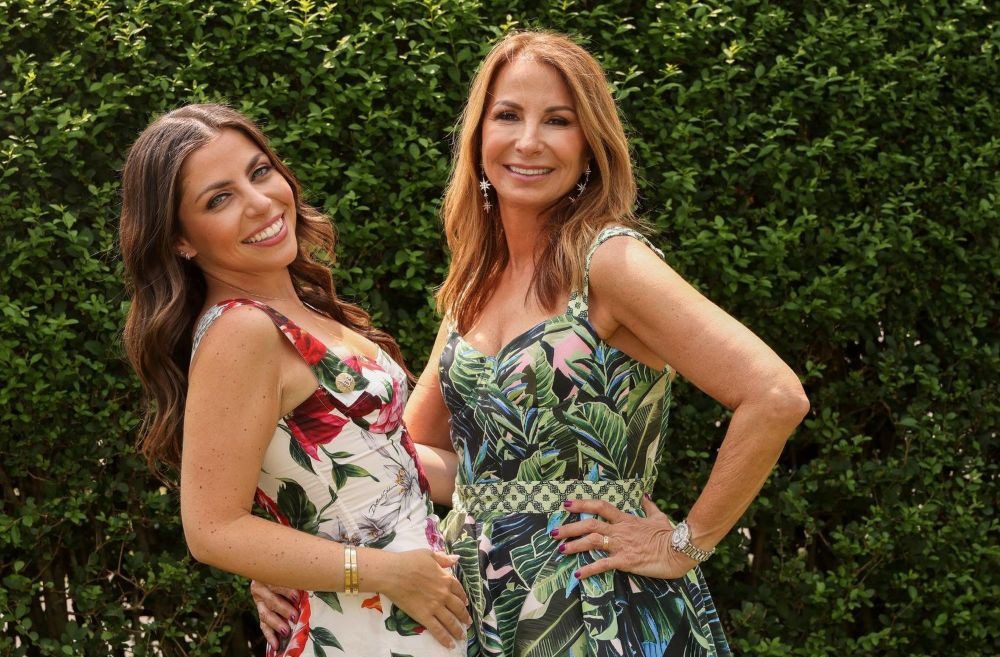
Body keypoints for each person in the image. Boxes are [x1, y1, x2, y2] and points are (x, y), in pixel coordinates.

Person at [256, 30, 810, 656]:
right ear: (479, 137)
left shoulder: (611, 263)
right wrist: (292, 556)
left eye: (558, 121)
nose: (528, 141)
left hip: (594, 606)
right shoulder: (473, 284)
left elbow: (773, 395)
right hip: (476, 606)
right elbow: (412, 459)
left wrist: (685, 542)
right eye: (508, 116)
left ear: (590, 146)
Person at [119, 103, 472, 657]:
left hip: (412, 613)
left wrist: (547, 479)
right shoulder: (242, 331)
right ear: (181, 241)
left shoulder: (300, 310)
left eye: (259, 172)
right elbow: (212, 529)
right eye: (219, 198)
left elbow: (390, 467)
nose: (259, 203)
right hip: (366, 629)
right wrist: (388, 574)